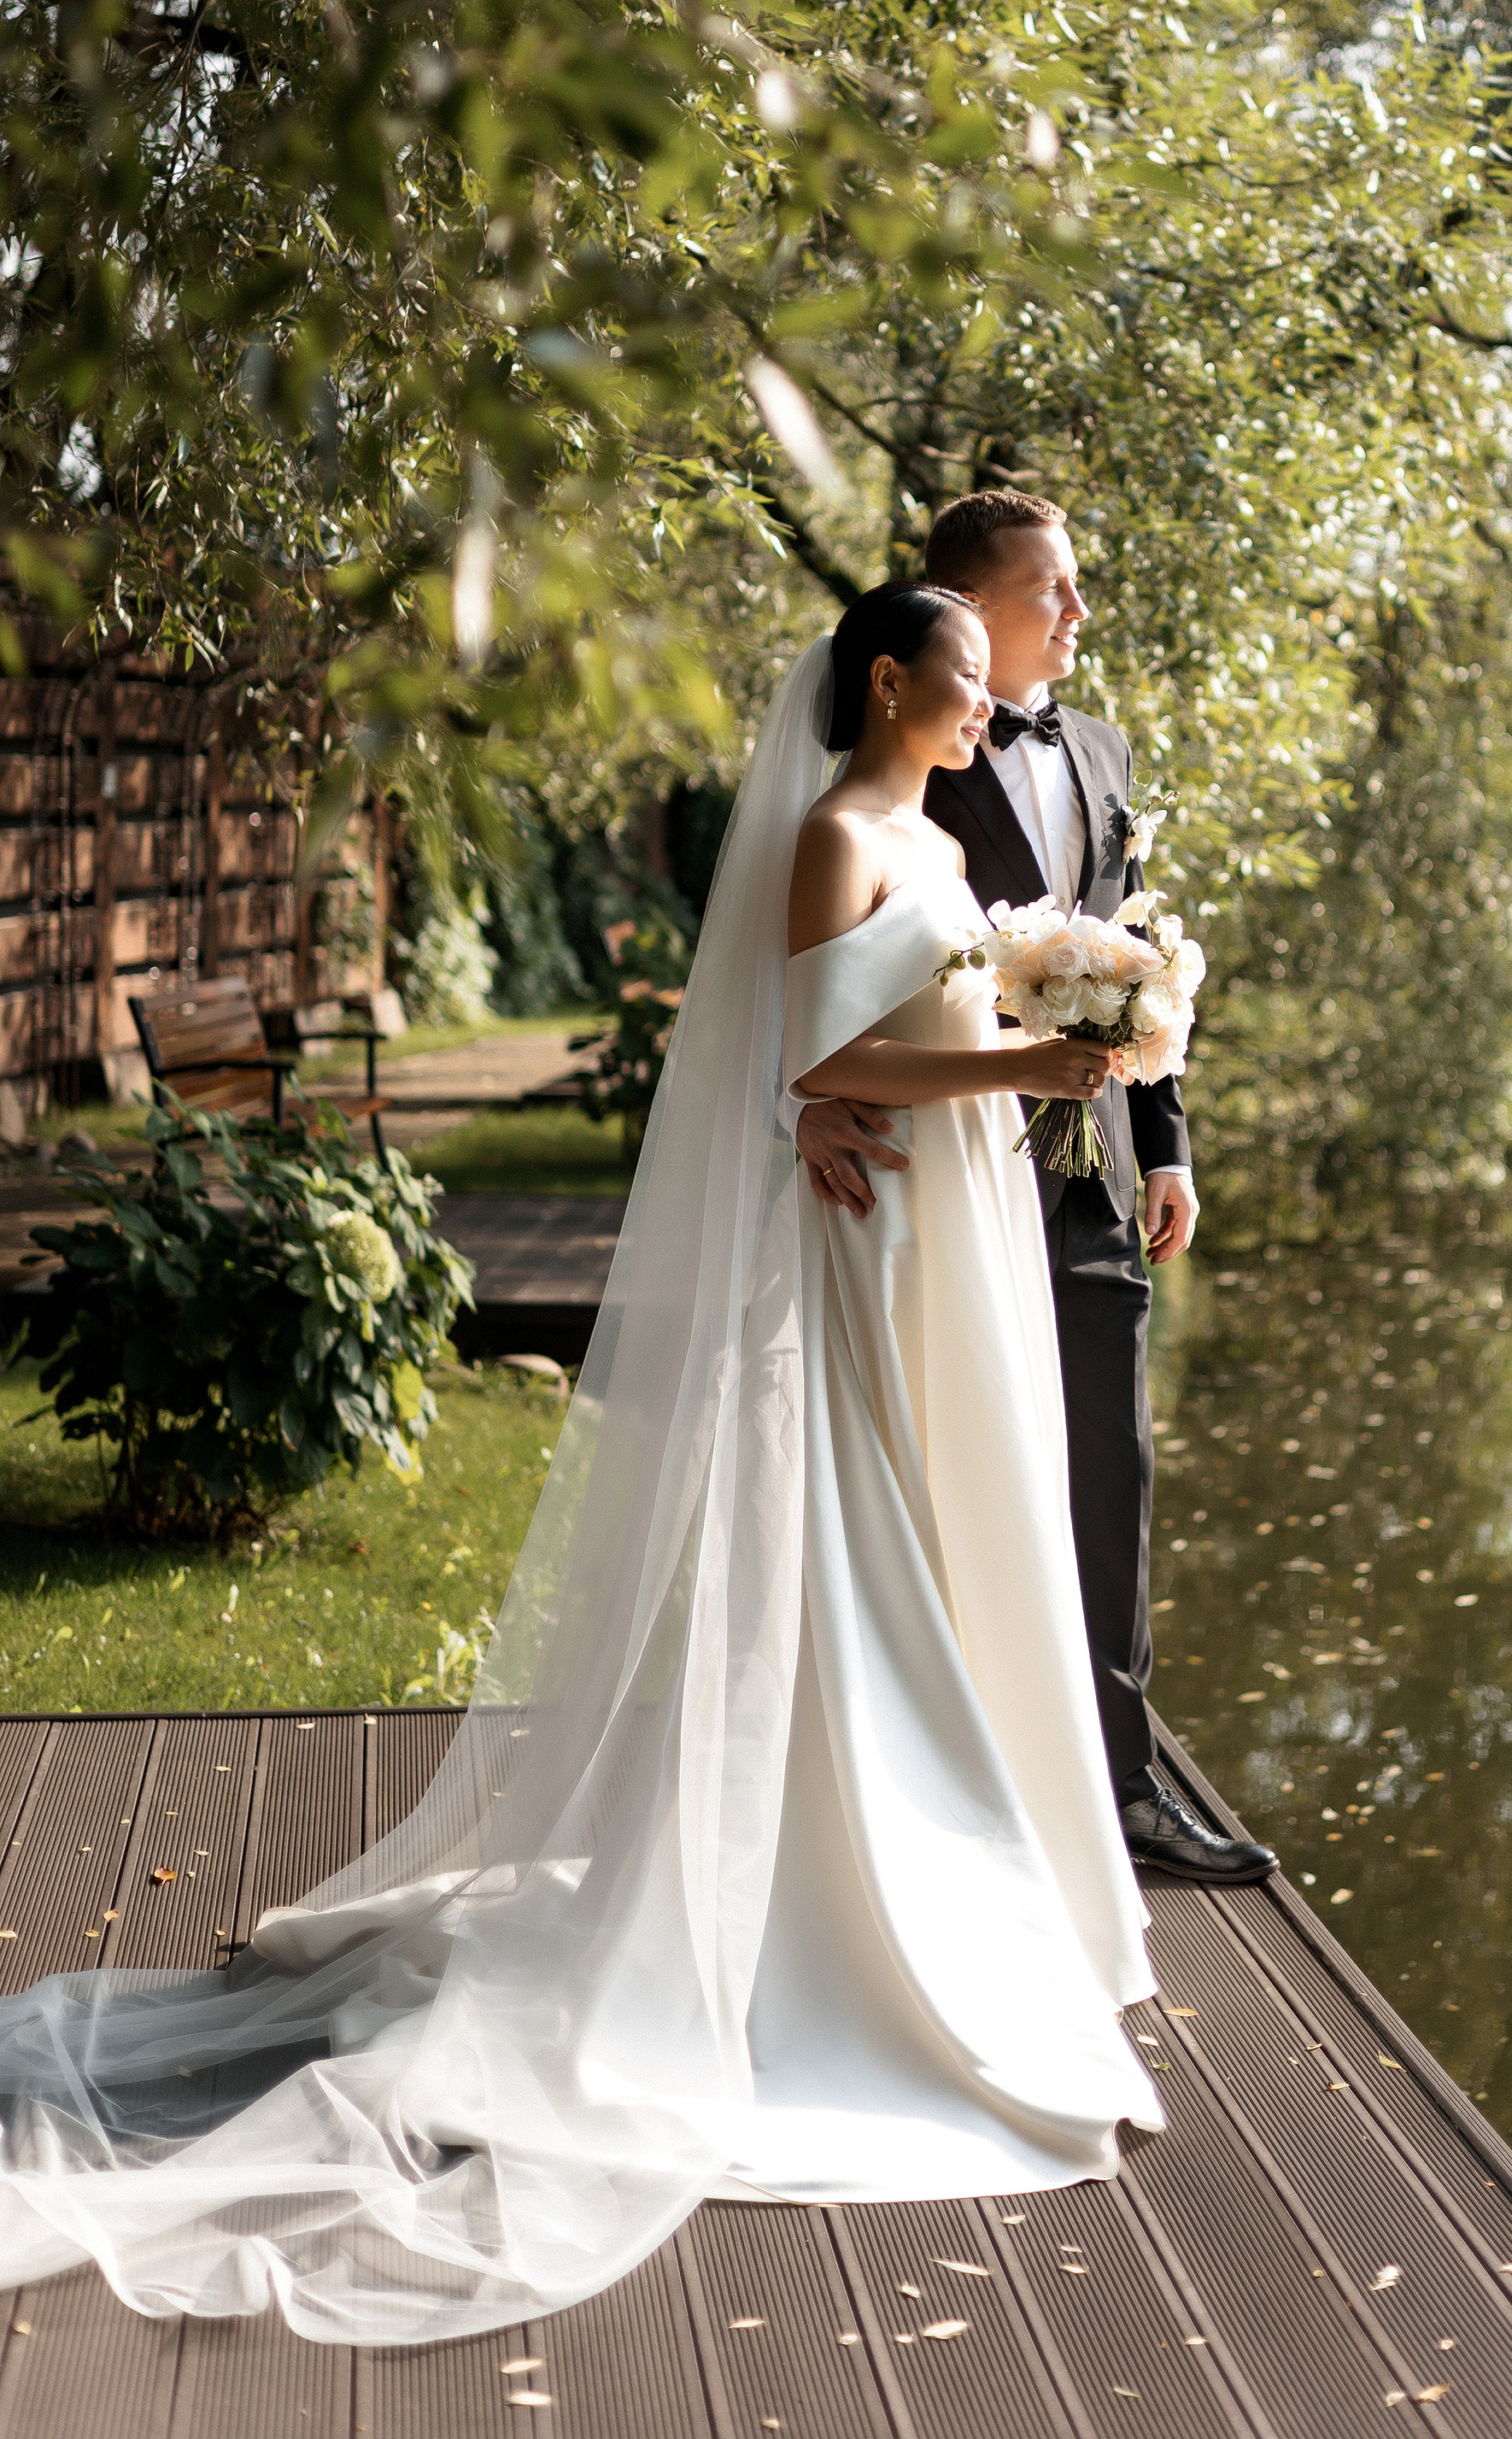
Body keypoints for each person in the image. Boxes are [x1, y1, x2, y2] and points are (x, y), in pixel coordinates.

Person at [0, 589, 1161, 2343]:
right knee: (863, 1543)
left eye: (996, 697)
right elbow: (817, 1057)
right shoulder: (837, 834)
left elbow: (898, 1042)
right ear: (885, 682)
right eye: (966, 685)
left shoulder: (925, 833)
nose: (990, 713)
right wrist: (1044, 1050)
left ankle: (932, 1869)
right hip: (871, 1235)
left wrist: (1055, 1038)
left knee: (944, 1521)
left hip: (952, 1221)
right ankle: (853, 1899)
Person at [794, 492, 1277, 1887]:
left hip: (1094, 1164)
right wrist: (809, 1094)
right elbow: (822, 958)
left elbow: (1129, 957)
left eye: (1076, 587)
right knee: (949, 1459)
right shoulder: (909, 757)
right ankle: (947, 1781)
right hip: (935, 1175)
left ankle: (1117, 1791)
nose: (1076, 613)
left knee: (1104, 1465)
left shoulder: (1104, 748)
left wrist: (1167, 1140)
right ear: (966, 603)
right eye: (1050, 589)